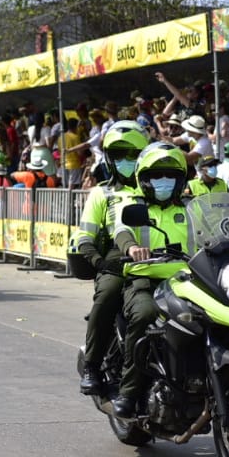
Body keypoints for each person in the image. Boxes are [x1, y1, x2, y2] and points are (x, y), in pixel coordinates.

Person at [110, 142, 192, 418]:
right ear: (144, 179)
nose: (164, 181)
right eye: (158, 176)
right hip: (144, 280)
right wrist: (132, 248)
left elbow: (217, 232)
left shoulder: (193, 209)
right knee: (145, 314)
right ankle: (129, 391)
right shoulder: (133, 206)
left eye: (171, 176)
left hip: (188, 282)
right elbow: (121, 232)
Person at [73, 120, 149, 395]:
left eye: (133, 154)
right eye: (119, 155)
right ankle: (93, 365)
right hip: (118, 263)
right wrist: (99, 262)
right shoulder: (102, 193)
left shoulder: (160, 187)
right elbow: (84, 236)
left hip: (164, 261)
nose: (126, 160)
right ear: (108, 158)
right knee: (107, 297)